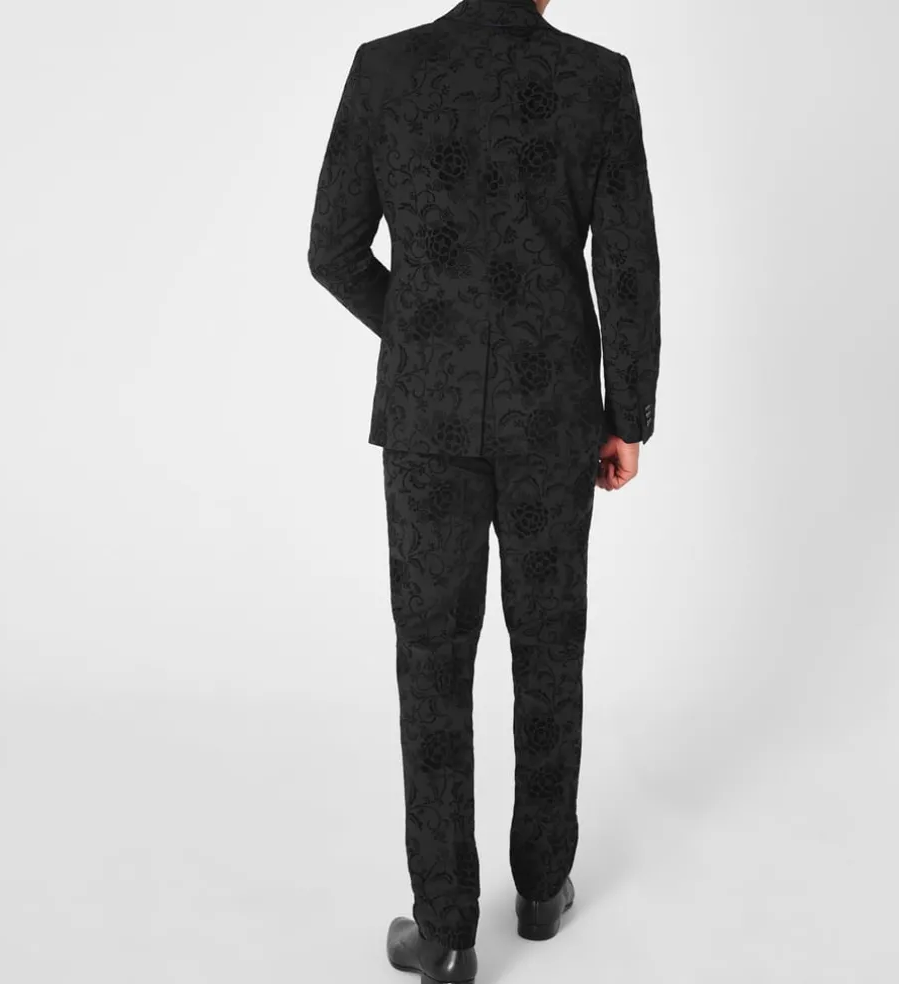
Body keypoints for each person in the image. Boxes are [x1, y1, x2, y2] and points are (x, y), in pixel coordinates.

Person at [308, 0, 660, 979]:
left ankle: (446, 934)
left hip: (428, 418)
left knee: (432, 661)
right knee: (549, 646)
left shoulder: (384, 69)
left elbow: (332, 249)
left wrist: (424, 331)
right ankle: (541, 889)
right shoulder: (597, 78)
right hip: (555, 415)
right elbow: (627, 264)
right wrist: (628, 415)